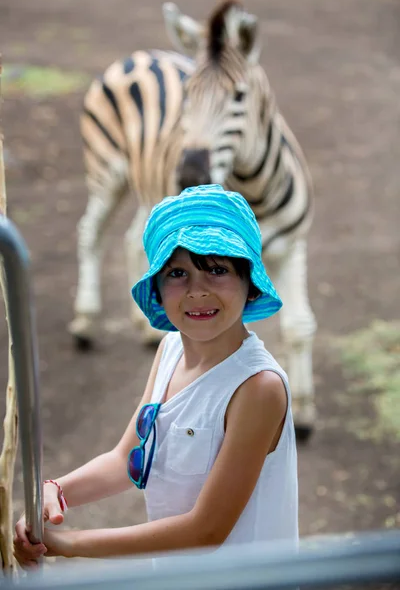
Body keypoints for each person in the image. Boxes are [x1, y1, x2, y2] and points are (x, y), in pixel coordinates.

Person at [14, 184, 298, 567]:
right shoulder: (170, 349)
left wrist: (67, 543)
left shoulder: (257, 388)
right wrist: (54, 492)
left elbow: (205, 530)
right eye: (177, 273)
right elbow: (126, 460)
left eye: (217, 270)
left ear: (250, 285)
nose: (197, 291)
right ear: (158, 290)